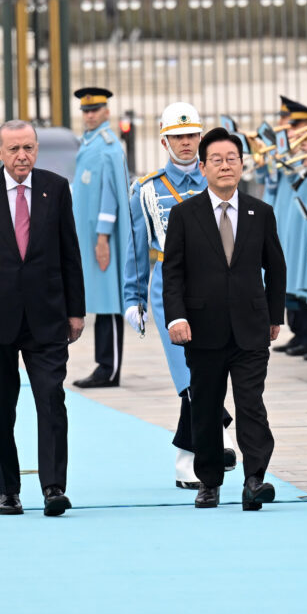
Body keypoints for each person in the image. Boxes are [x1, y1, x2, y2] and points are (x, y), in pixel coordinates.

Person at [0, 119, 85, 517]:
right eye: (14, 149)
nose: (22, 155)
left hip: (47, 317)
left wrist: (76, 310)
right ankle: (8, 490)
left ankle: (53, 488)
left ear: (37, 149)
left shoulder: (55, 189)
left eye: (29, 147)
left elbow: (69, 253)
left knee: (51, 399)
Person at [162, 127, 287, 510]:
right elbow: (173, 274)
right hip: (203, 330)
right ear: (202, 167)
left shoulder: (260, 212)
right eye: (216, 159)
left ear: (242, 164)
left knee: (252, 406)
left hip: (250, 329)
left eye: (232, 158)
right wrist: (176, 318)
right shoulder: (185, 215)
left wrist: (273, 314)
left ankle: (255, 480)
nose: (225, 166)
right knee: (206, 406)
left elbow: (276, 267)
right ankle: (209, 482)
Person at [121, 102, 235, 489]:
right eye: (177, 137)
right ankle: (195, 456)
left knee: (214, 372)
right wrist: (132, 297)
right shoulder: (147, 189)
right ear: (164, 138)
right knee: (188, 377)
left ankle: (201, 449)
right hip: (169, 289)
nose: (185, 144)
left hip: (219, 288)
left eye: (191, 136)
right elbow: (137, 247)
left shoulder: (218, 179)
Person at [69, 87, 132, 389]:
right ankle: (103, 365)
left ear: (107, 112)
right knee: (100, 300)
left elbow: (111, 196)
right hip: (90, 236)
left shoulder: (108, 146)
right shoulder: (90, 143)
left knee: (109, 302)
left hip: (101, 239)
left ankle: (109, 369)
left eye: (95, 110)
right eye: (85, 110)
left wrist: (103, 237)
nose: (89, 115)